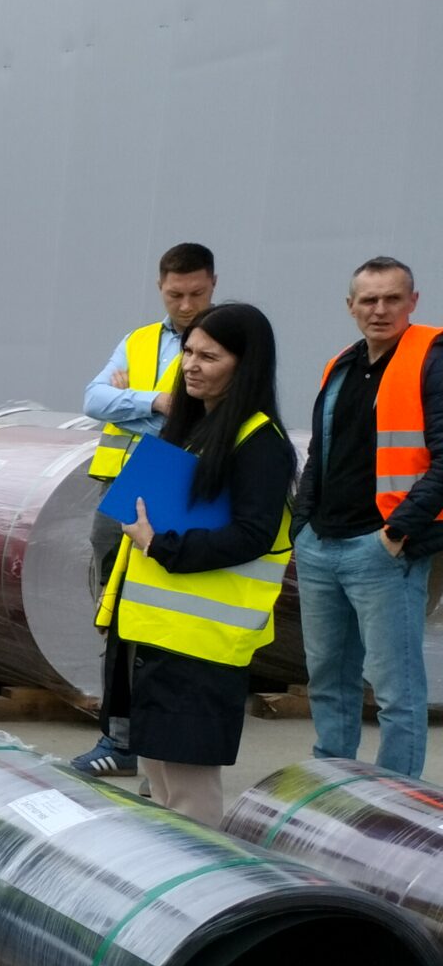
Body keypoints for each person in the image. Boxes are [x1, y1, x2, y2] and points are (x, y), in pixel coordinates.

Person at [96, 303, 296, 825]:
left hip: (204, 644)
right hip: (157, 633)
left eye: (210, 356)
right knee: (159, 777)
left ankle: (204, 874)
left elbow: (252, 536)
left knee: (189, 789)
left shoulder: (260, 443)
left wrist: (162, 546)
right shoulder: (192, 429)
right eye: (188, 352)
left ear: (245, 365)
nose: (191, 365)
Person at [293, 257, 442, 779]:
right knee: (327, 680)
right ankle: (334, 785)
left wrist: (398, 532)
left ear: (413, 302)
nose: (380, 309)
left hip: (381, 550)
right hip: (321, 544)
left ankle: (399, 802)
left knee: (397, 691)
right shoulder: (340, 365)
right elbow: (320, 453)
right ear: (351, 306)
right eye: (369, 300)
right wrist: (302, 525)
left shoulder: (432, 360)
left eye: (392, 299)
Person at [74, 242, 217, 779]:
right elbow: (93, 400)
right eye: (176, 294)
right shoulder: (139, 341)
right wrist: (154, 401)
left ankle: (151, 742)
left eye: (196, 293)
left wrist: (129, 401)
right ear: (160, 287)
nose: (186, 305)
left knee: (163, 615)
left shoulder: (225, 340)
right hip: (125, 485)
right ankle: (120, 738)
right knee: (116, 615)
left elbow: (203, 414)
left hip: (177, 482)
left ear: (213, 285)